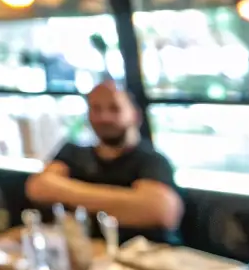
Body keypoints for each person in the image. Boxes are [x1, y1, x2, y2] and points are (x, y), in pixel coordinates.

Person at [26, 80, 183, 243]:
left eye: (114, 108)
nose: (104, 117)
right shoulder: (72, 152)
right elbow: (38, 188)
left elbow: (160, 211)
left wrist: (68, 194)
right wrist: (126, 202)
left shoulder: (152, 160)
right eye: (96, 109)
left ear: (135, 115)